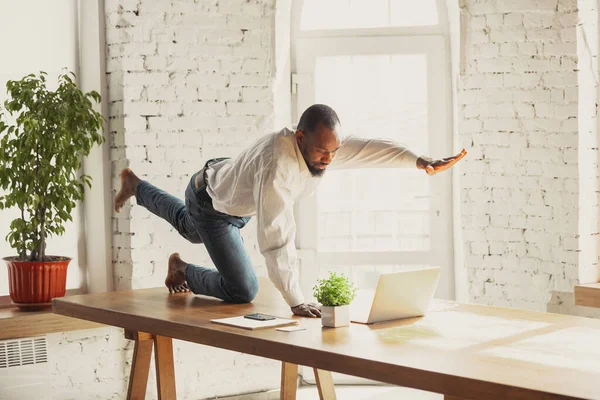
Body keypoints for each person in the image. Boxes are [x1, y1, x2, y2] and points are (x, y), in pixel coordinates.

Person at [114, 104, 466, 318]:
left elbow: (367, 149)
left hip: (229, 186)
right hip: (212, 202)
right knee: (243, 289)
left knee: (189, 228)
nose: (328, 160)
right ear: (299, 137)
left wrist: (418, 160)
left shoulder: (323, 146)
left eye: (333, 151)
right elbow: (277, 237)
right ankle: (184, 271)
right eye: (320, 152)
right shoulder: (278, 168)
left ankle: (136, 187)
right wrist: (296, 300)